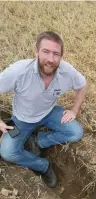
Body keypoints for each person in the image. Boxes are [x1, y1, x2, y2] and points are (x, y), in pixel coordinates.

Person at [0, 31, 87, 188]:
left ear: (61, 56)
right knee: (7, 152)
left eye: (56, 54)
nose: (50, 59)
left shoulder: (67, 72)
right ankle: (43, 166)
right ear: (36, 51)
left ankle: (38, 141)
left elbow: (82, 85)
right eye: (45, 52)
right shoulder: (18, 71)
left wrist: (74, 110)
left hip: (49, 113)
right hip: (22, 120)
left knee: (75, 132)